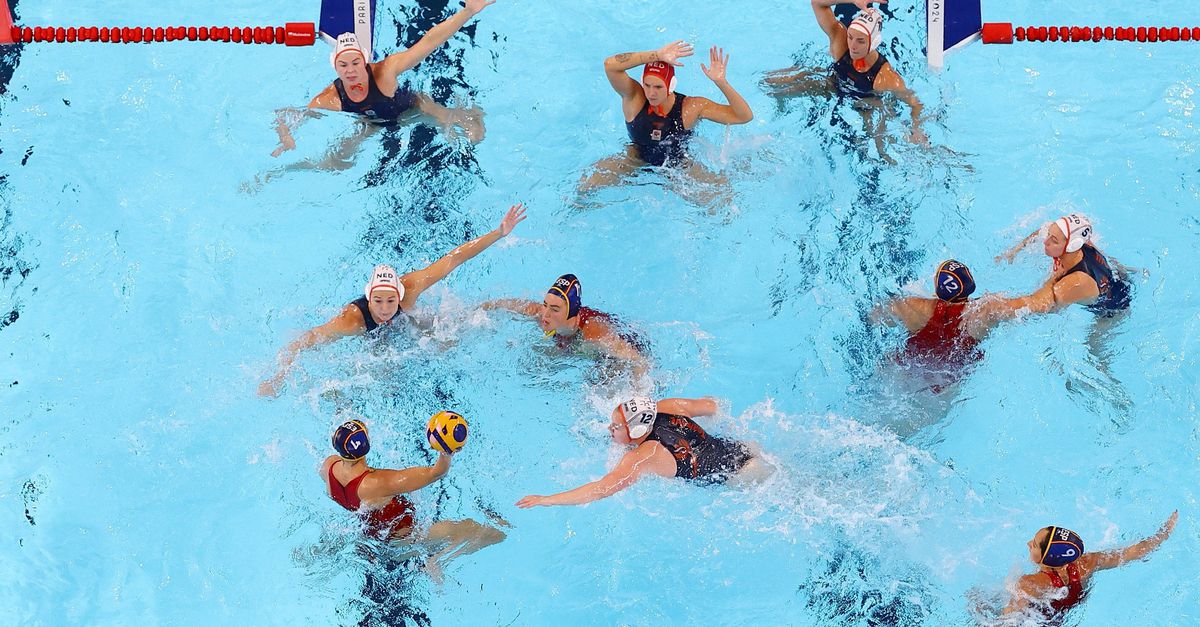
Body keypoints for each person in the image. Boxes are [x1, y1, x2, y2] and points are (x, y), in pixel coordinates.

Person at [258, 203, 526, 396]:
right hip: (373, 337)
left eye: (390, 301)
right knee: (383, 379)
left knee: (450, 338)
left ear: (399, 294)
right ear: (369, 298)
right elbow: (304, 341)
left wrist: (498, 232)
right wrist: (277, 377)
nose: (385, 308)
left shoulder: (410, 289)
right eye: (379, 301)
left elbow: (453, 258)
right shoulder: (352, 319)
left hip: (407, 323)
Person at [271, 0, 495, 161]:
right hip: (373, 123)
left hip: (415, 109)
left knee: (475, 136)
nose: (351, 71)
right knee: (336, 163)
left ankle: (473, 112)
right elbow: (285, 115)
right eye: (344, 65)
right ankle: (273, 177)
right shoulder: (331, 97)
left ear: (365, 61)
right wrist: (285, 135)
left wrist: (468, 11)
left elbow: (429, 42)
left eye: (356, 63)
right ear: (336, 67)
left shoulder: (385, 72)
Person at [322, 418, 506, 581]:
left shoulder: (328, 467)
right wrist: (447, 451)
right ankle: (436, 562)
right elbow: (436, 473)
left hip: (372, 538)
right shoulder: (377, 483)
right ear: (365, 446)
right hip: (405, 541)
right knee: (488, 532)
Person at [516, 397, 773, 508]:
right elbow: (713, 405)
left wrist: (545, 499)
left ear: (638, 432)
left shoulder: (644, 456)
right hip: (743, 447)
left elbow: (601, 489)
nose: (610, 429)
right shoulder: (669, 407)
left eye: (617, 427)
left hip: (744, 478)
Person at [579, 41, 754, 201]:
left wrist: (721, 82)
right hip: (636, 159)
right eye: (647, 85)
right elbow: (610, 65)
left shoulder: (690, 108)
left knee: (722, 200)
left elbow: (743, 116)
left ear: (671, 85)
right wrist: (656, 55)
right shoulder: (634, 98)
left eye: (658, 87)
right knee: (586, 185)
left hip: (679, 167)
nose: (651, 93)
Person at [764, 0, 926, 149]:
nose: (853, 46)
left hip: (864, 103)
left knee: (878, 149)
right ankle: (780, 110)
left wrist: (916, 128)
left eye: (860, 41)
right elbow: (817, 3)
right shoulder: (840, 41)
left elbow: (915, 103)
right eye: (851, 37)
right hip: (832, 84)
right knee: (770, 84)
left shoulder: (886, 78)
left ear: (874, 42)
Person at [1001, 512, 1177, 621]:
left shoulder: (1030, 583)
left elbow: (1007, 620)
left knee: (977, 599)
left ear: (1049, 559)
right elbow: (1134, 552)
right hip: (1068, 614)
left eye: (1035, 545)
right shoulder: (1087, 563)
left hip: (1039, 620)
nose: (1028, 543)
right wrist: (1164, 534)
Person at [481, 274, 649, 377]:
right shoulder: (543, 315)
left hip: (618, 353)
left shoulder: (594, 332)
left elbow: (639, 361)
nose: (545, 314)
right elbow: (506, 304)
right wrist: (478, 310)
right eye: (545, 304)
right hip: (575, 347)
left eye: (554, 309)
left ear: (572, 314)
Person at [998, 213, 1132, 317]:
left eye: (1053, 240)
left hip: (1112, 309)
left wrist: (1052, 280)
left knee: (1094, 349)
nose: (1045, 241)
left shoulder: (1076, 282)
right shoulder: (1083, 243)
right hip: (1111, 277)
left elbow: (1043, 307)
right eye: (1050, 235)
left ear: (1072, 245)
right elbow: (1042, 231)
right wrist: (1014, 251)